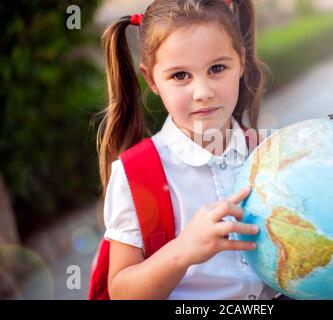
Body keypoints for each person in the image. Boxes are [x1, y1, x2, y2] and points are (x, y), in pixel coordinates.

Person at [96, 0, 278, 300]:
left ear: (241, 61)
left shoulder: (269, 153)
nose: (203, 92)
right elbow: (122, 292)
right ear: (151, 79)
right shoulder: (136, 175)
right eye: (180, 76)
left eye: (217, 68)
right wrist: (183, 250)